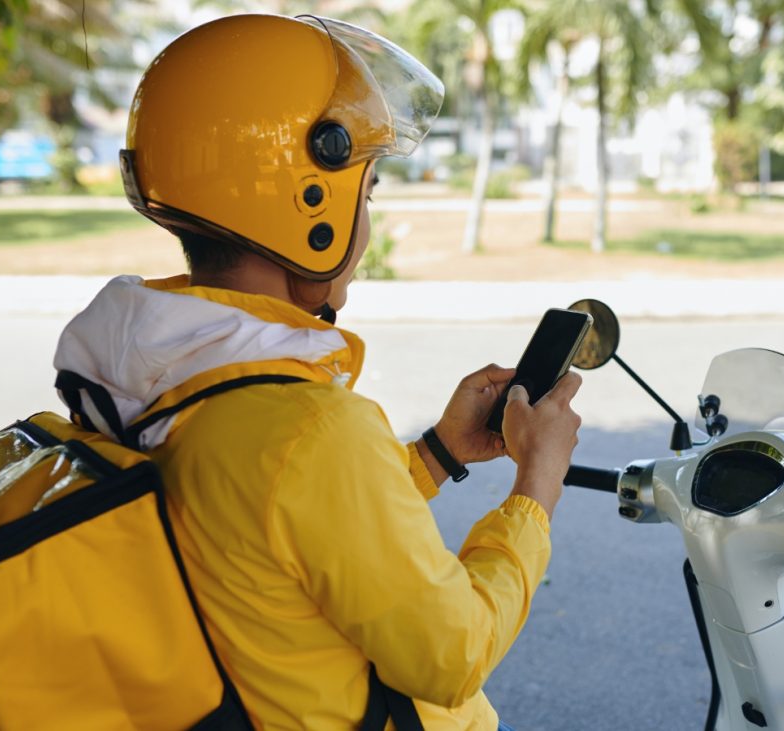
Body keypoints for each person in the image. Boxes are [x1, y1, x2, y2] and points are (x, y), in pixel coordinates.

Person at [51, 14, 581, 731]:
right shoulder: (310, 427)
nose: (367, 221)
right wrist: (536, 486)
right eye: (367, 193)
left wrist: (437, 453)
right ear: (309, 205)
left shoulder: (148, 380)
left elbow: (283, 527)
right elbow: (452, 657)